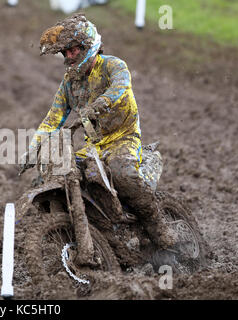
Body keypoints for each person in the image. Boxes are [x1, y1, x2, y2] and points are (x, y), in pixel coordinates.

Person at [20, 13, 176, 249]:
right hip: (95, 146)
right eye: (66, 52)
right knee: (55, 175)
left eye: (74, 50)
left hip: (124, 138)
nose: (70, 56)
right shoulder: (69, 85)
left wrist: (99, 104)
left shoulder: (112, 65)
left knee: (122, 174)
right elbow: (52, 120)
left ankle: (159, 228)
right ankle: (86, 233)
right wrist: (33, 149)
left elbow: (121, 86)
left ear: (87, 46)